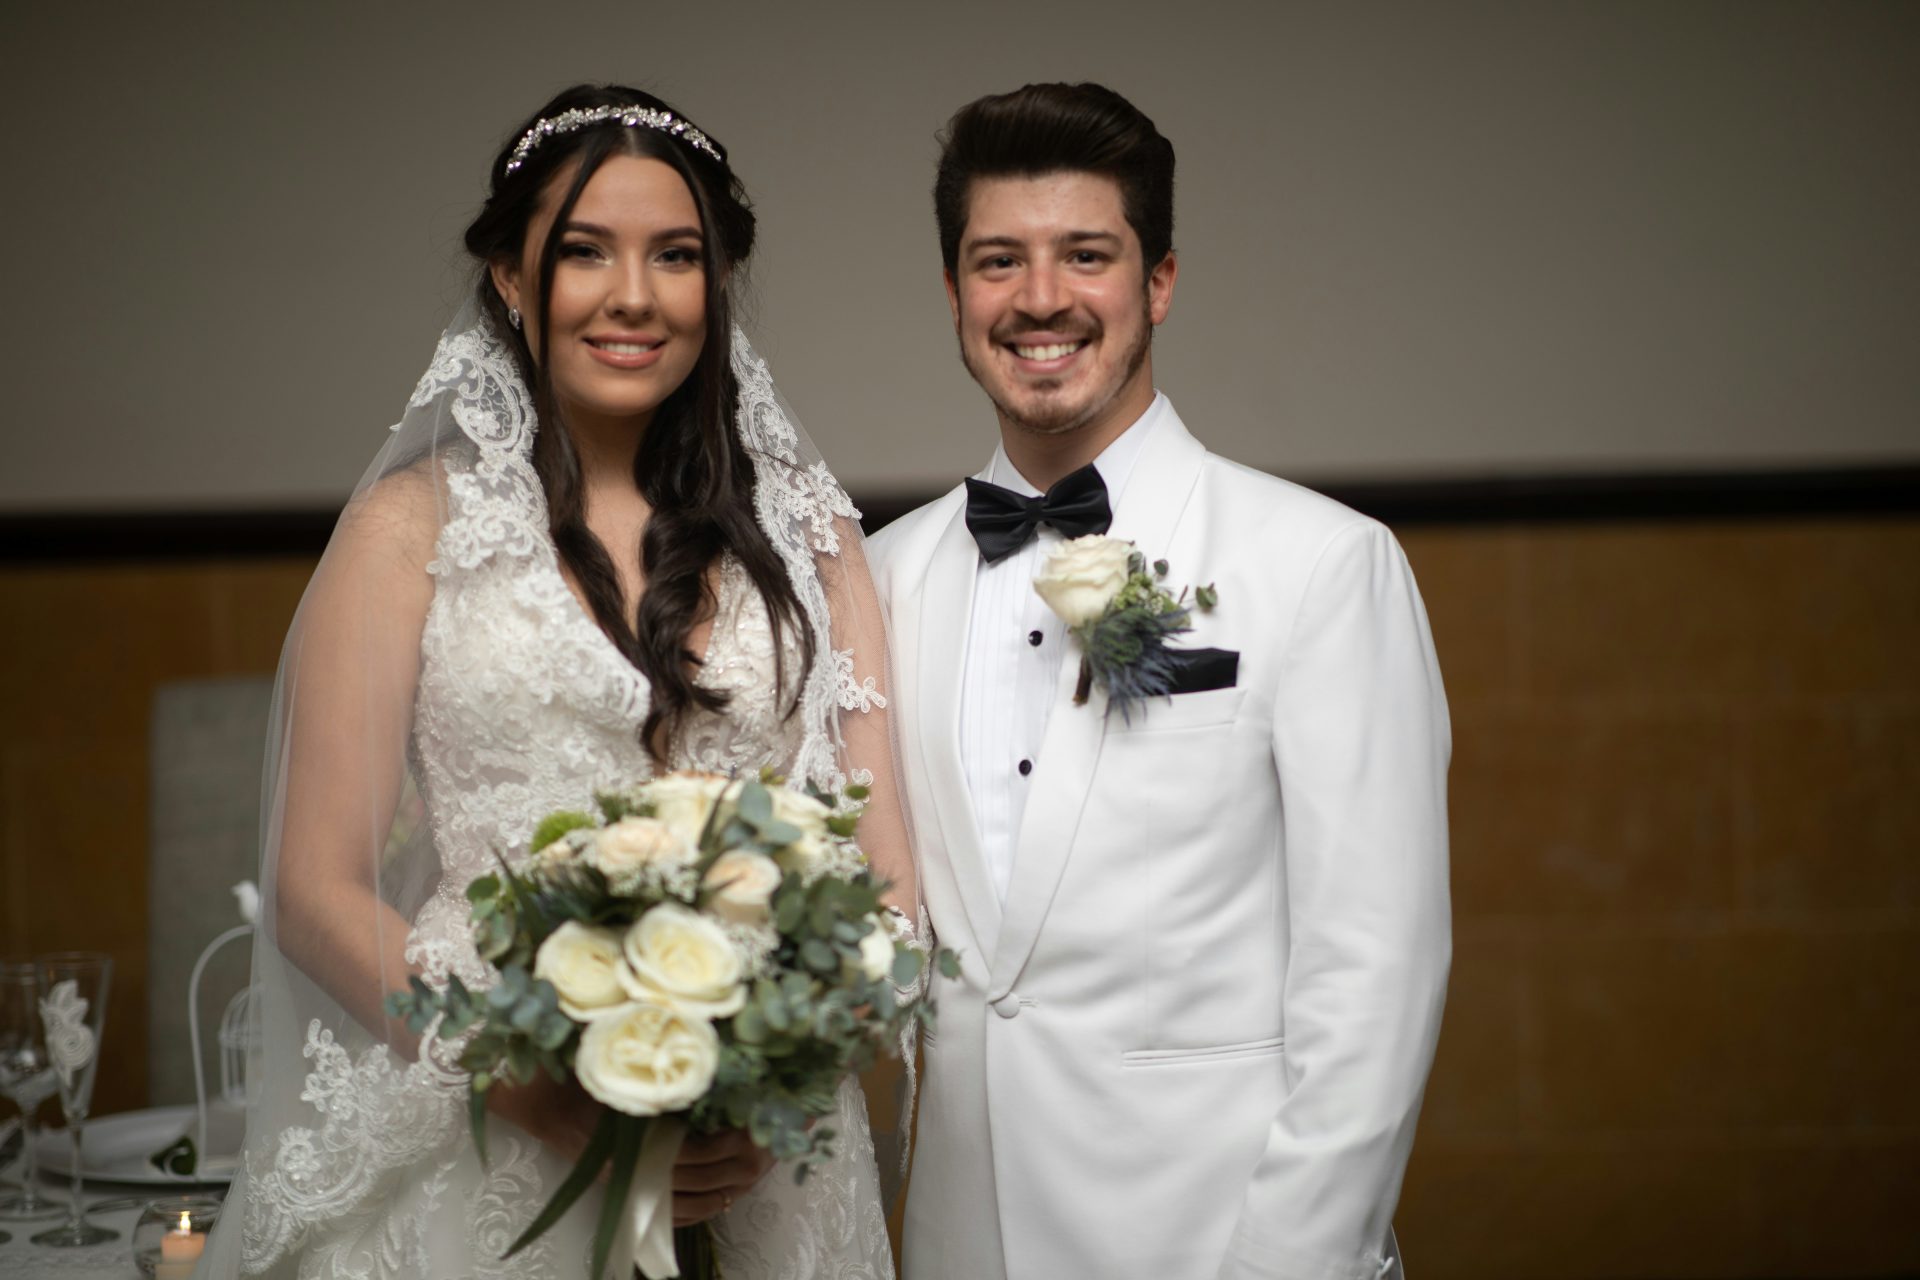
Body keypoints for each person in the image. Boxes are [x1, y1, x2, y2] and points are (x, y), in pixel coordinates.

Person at [199, 83, 915, 1280]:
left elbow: (890, 891)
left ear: (716, 284)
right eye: (585, 252)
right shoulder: (405, 530)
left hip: (766, 1167)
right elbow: (316, 883)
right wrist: (533, 1083)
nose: (633, 294)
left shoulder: (814, 543)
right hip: (492, 1137)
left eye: (675, 256)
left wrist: (771, 1071)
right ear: (512, 281)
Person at [867, 82, 1451, 1280]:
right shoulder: (878, 580)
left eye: (1088, 255)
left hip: (1226, 1241)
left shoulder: (1324, 563)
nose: (1041, 299)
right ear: (953, 294)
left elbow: (1376, 969)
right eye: (998, 261)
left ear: (1160, 281)